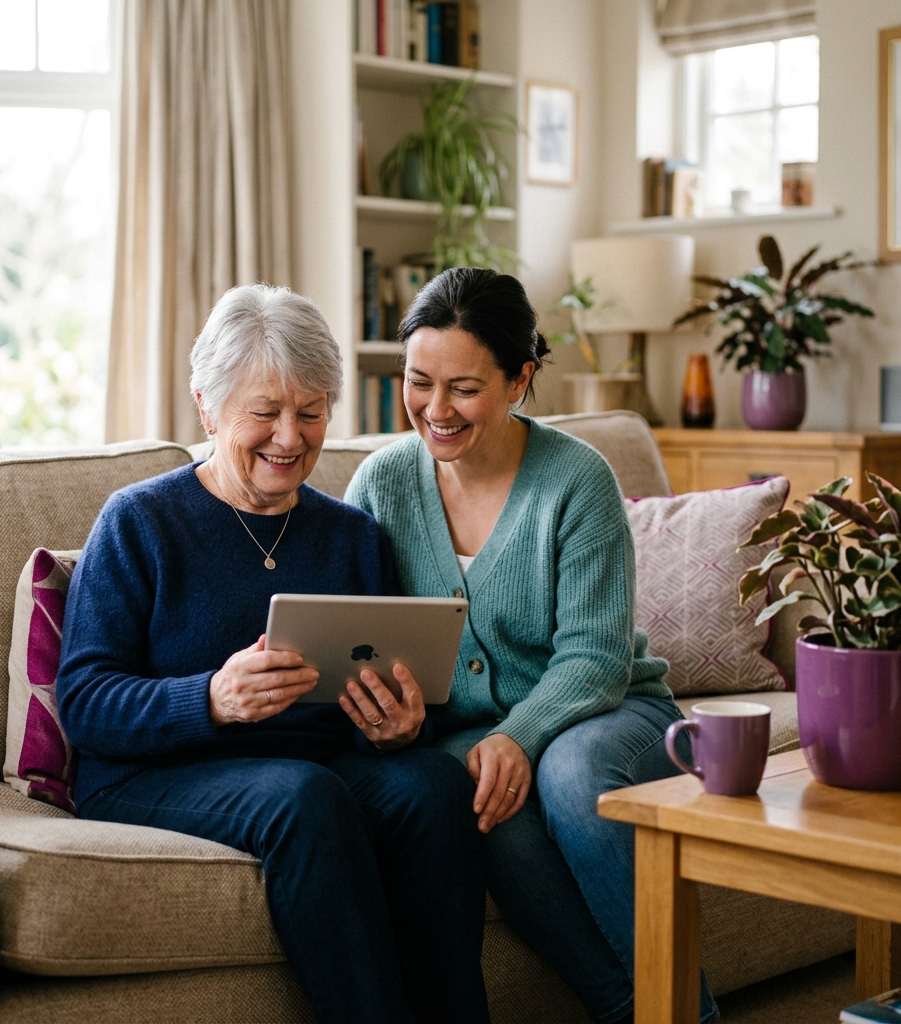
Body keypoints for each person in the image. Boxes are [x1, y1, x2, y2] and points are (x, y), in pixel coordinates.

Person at [56, 284, 489, 1024]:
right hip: (152, 771)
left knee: (432, 785)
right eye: (265, 412)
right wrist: (211, 699)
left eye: (311, 411)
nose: (290, 438)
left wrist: (393, 726)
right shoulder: (140, 522)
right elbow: (85, 699)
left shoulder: (352, 536)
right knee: (302, 797)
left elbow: (370, 695)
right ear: (208, 407)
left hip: (313, 762)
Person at [344, 268, 718, 1024]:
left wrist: (518, 735)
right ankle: (625, 1008)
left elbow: (595, 659)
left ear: (521, 379)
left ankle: (688, 1011)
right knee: (478, 797)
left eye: (464, 388)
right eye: (419, 382)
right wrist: (396, 720)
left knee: (570, 771)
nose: (435, 411)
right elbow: (355, 635)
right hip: (467, 740)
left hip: (613, 714)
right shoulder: (382, 483)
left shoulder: (577, 479)